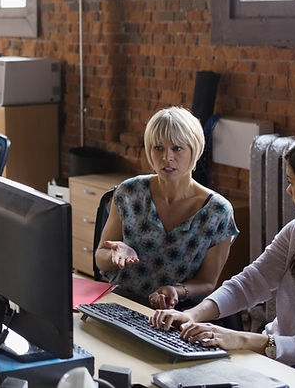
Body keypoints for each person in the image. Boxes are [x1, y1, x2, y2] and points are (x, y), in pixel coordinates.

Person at [151, 133, 295, 375]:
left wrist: (242, 339)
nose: (289, 190)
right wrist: (192, 315)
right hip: (274, 362)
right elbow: (249, 283)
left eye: (292, 182)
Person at [95, 106, 238, 308]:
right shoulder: (129, 193)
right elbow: (100, 258)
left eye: (177, 148)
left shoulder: (218, 212)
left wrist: (177, 290)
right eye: (158, 148)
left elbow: (207, 282)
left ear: (194, 149)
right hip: (122, 303)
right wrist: (115, 253)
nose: (167, 157)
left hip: (177, 313)